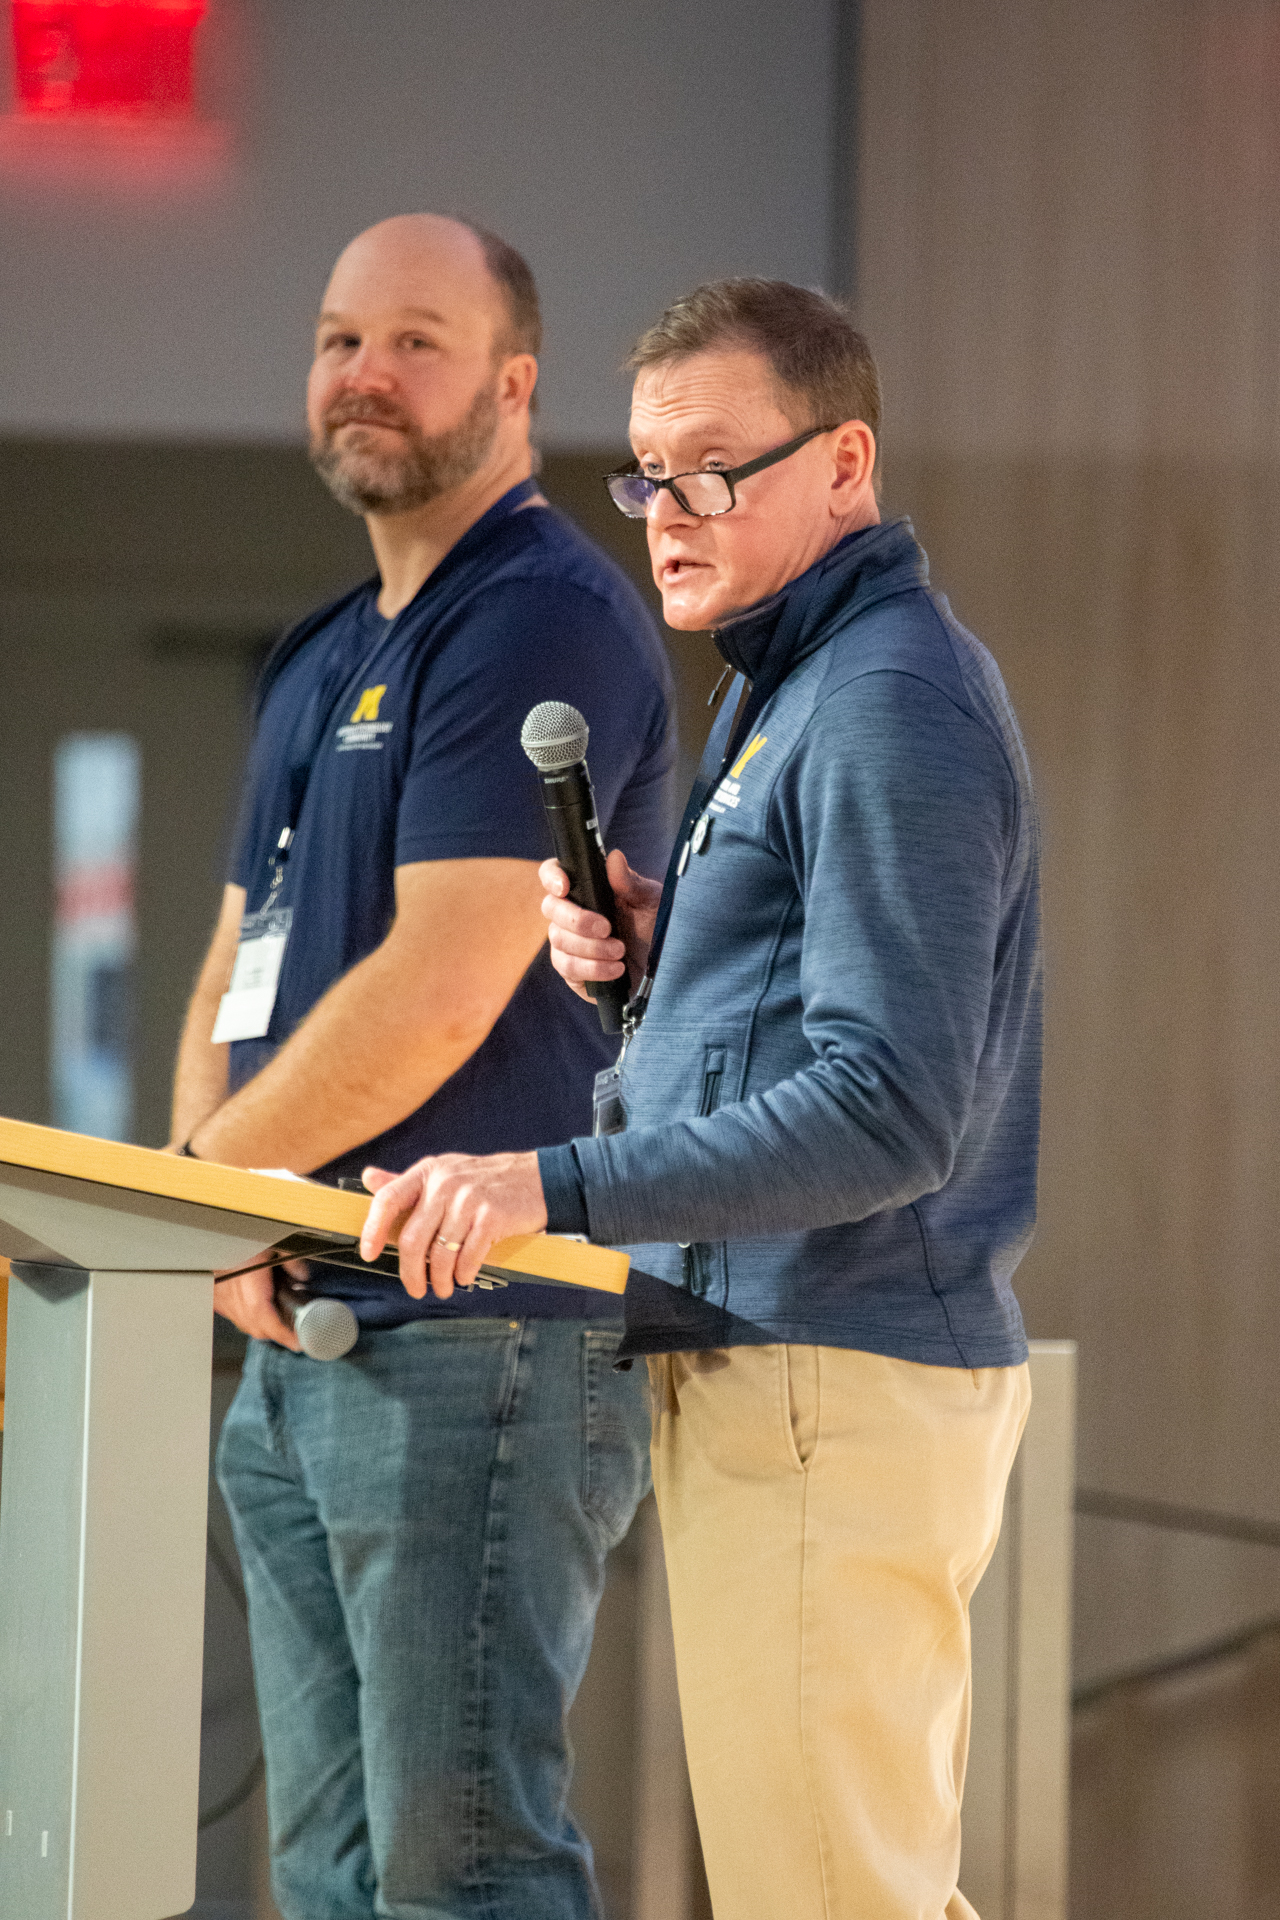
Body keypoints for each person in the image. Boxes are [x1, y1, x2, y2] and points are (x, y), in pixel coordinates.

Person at [360, 279, 1042, 1920]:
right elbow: (822, 1022)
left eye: (715, 470)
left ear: (845, 464)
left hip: (832, 1366)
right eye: (648, 473)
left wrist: (545, 1185)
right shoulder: (789, 681)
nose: (669, 512)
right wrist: (680, 957)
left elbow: (892, 1112)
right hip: (788, 1364)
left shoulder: (882, 700)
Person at [169, 215, 674, 1920]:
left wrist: (211, 1195)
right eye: (338, 340)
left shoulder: (537, 620)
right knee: (326, 1873)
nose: (364, 374)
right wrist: (198, 1208)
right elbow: (236, 959)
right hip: (303, 1330)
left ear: (515, 385)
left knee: (461, 1873)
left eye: (415, 341)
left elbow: (449, 982)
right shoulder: (324, 650)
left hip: (477, 1337)